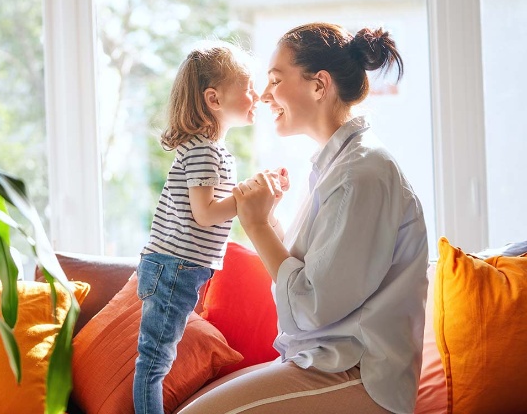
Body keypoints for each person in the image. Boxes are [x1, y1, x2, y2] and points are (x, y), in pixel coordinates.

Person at [177, 23, 428, 414]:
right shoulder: (340, 166)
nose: (263, 95)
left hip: (359, 373)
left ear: (318, 85)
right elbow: (312, 277)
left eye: (276, 80)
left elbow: (310, 308)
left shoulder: (361, 173)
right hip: (327, 361)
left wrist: (257, 225)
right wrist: (269, 220)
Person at [133, 40, 287, 414]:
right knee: (153, 363)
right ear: (214, 100)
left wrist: (255, 195)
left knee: (156, 360)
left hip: (177, 268)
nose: (257, 96)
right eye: (248, 89)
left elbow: (212, 209)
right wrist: (248, 197)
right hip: (174, 268)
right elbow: (205, 214)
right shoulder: (204, 150)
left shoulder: (211, 150)